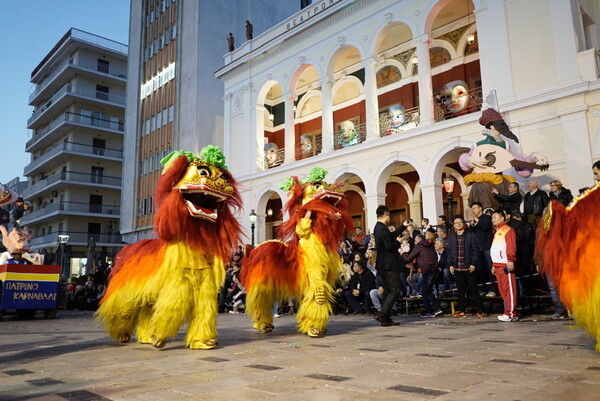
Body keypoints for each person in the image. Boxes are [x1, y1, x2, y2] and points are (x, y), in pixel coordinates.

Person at [447, 217, 484, 318]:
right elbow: (449, 252)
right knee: (460, 291)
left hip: (469, 267)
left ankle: (479, 311)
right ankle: (462, 310)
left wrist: (473, 263)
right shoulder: (451, 237)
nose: (458, 224)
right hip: (457, 268)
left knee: (474, 290)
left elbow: (475, 251)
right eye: (456, 223)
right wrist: (450, 264)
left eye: (460, 222)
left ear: (463, 224)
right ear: (453, 226)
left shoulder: (470, 235)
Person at [372, 205, 402, 326]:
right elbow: (390, 246)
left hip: (382, 265)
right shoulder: (383, 229)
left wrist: (403, 226)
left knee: (388, 291)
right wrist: (398, 243)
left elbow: (390, 237)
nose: (389, 217)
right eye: (389, 215)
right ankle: (382, 314)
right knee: (395, 291)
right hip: (389, 265)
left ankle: (386, 319)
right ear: (385, 215)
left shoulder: (378, 227)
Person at [402, 230, 442, 318]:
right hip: (434, 270)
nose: (414, 242)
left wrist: (403, 253)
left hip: (427, 270)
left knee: (424, 292)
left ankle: (430, 311)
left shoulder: (419, 246)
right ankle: (437, 308)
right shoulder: (430, 246)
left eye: (415, 240)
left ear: (419, 240)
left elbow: (408, 259)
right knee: (428, 290)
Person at [490, 210, 518, 322]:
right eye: (492, 218)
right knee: (502, 290)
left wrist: (510, 260)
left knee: (509, 289)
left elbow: (511, 245)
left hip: (505, 264)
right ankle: (508, 311)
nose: (493, 219)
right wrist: (493, 264)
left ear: (502, 218)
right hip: (497, 265)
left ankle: (511, 313)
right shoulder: (497, 232)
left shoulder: (508, 230)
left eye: (495, 217)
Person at [469, 202, 496, 297]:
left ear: (480, 208)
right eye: (472, 209)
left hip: (486, 247)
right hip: (477, 249)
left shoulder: (487, 218)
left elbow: (485, 227)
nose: (473, 210)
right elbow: (470, 232)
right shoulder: (474, 220)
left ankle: (492, 289)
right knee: (481, 270)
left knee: (490, 269)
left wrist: (476, 219)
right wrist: (472, 223)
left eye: (475, 208)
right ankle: (485, 289)